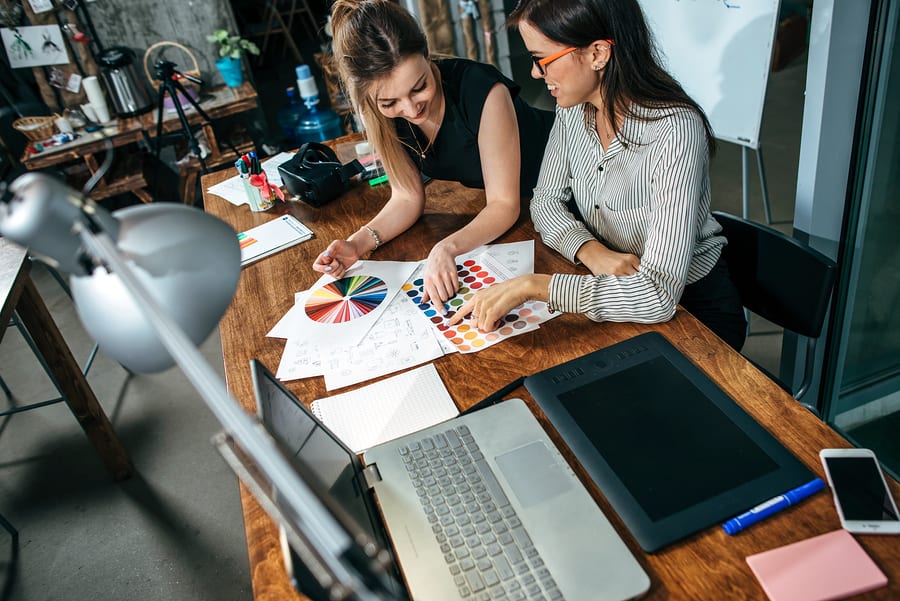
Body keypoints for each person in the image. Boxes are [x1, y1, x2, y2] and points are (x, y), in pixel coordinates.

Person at [450, 0, 747, 350]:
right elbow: (545, 202)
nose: (534, 74)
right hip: (608, 282)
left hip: (693, 313)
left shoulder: (676, 131)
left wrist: (535, 287)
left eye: (541, 60)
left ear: (598, 54)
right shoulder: (573, 109)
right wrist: (591, 252)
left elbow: (658, 294)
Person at [312, 0, 554, 307]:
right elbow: (407, 198)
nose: (410, 110)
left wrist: (447, 248)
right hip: (533, 211)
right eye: (389, 103)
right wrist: (356, 244)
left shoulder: (481, 89)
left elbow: (504, 205)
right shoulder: (386, 119)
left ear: (427, 54)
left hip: (573, 179)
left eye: (419, 87)